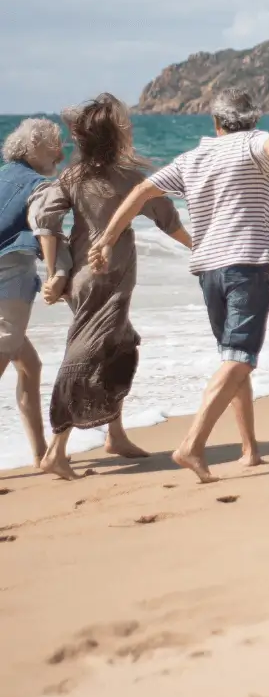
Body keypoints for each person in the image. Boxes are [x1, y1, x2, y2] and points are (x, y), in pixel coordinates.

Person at [90, 88, 269, 483]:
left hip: (208, 269)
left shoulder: (193, 158)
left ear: (215, 123)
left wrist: (107, 238)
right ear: (254, 119)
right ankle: (191, 445)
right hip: (245, 263)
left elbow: (141, 192)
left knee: (233, 359)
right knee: (240, 357)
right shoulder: (262, 141)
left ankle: (250, 450)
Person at [32, 95, 191, 480]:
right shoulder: (130, 175)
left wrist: (57, 271)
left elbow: (46, 219)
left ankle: (115, 435)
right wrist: (198, 246)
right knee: (84, 358)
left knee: (118, 349)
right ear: (113, 135)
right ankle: (56, 449)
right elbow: (166, 218)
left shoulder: (72, 177)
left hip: (84, 279)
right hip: (109, 278)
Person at [0, 118, 68, 465]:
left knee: (29, 365)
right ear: (32, 148)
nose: (61, 151)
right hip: (8, 275)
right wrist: (57, 270)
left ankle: (41, 453)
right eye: (54, 144)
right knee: (6, 347)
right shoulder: (39, 185)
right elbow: (44, 225)